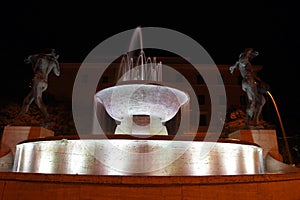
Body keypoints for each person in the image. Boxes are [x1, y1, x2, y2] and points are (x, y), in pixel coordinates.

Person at [13, 48, 60, 127]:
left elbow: (34, 67)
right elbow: (58, 73)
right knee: (27, 100)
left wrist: (32, 59)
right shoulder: (53, 62)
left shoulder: (40, 59)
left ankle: (48, 118)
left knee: (38, 100)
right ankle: (18, 118)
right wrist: (56, 61)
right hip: (44, 83)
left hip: (38, 80)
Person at [229, 48, 269, 127]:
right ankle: (249, 122)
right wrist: (248, 51)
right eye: (250, 54)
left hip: (249, 81)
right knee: (253, 101)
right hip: (249, 81)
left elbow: (253, 74)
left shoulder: (245, 63)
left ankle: (255, 120)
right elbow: (242, 61)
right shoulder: (243, 60)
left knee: (262, 100)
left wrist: (261, 81)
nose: (250, 56)